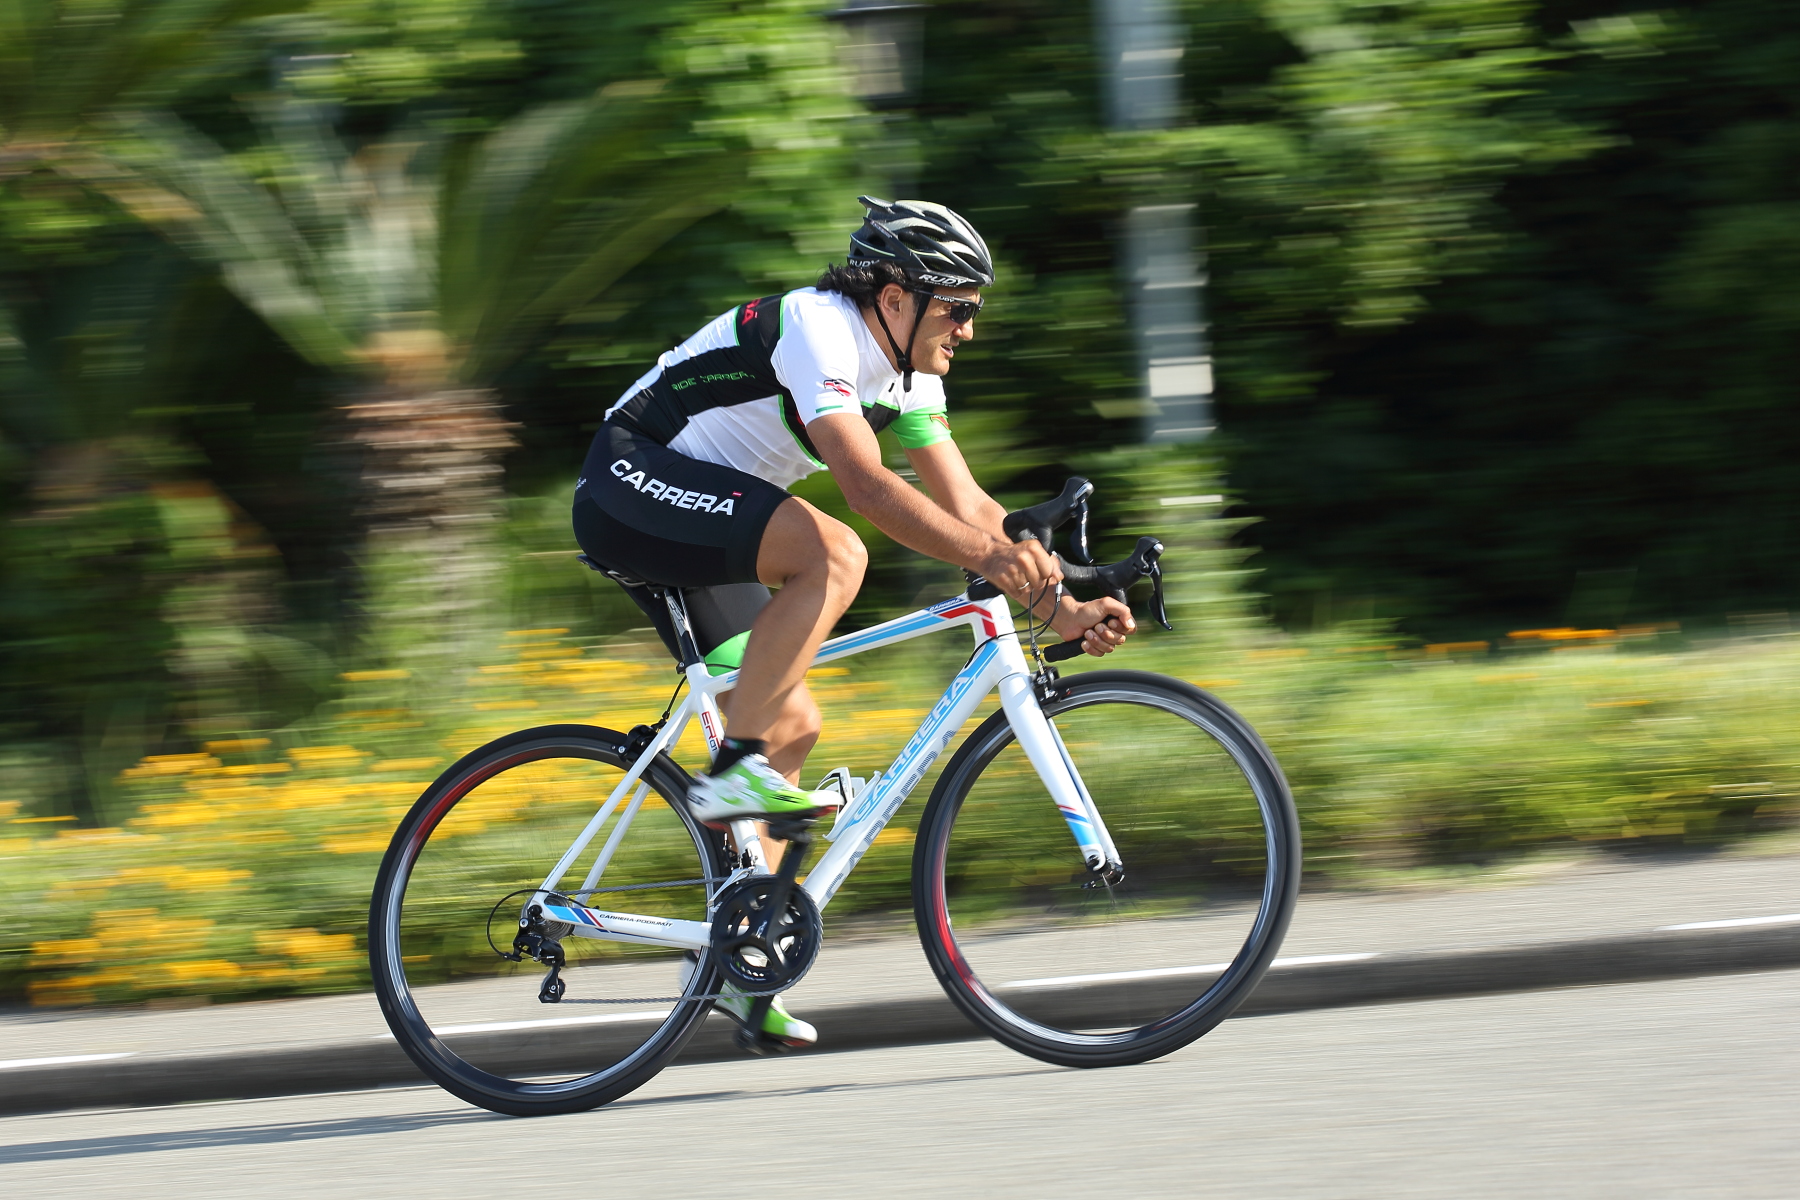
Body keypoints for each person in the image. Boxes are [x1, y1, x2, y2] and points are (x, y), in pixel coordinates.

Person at [572, 196, 1134, 1045]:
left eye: (975, 309)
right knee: (836, 552)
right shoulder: (818, 327)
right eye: (959, 307)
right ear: (896, 295)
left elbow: (971, 508)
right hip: (630, 481)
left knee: (791, 714)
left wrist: (1061, 606)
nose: (970, 329)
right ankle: (732, 775)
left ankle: (737, 961)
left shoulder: (912, 375)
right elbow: (869, 490)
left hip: (707, 518)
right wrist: (995, 562)